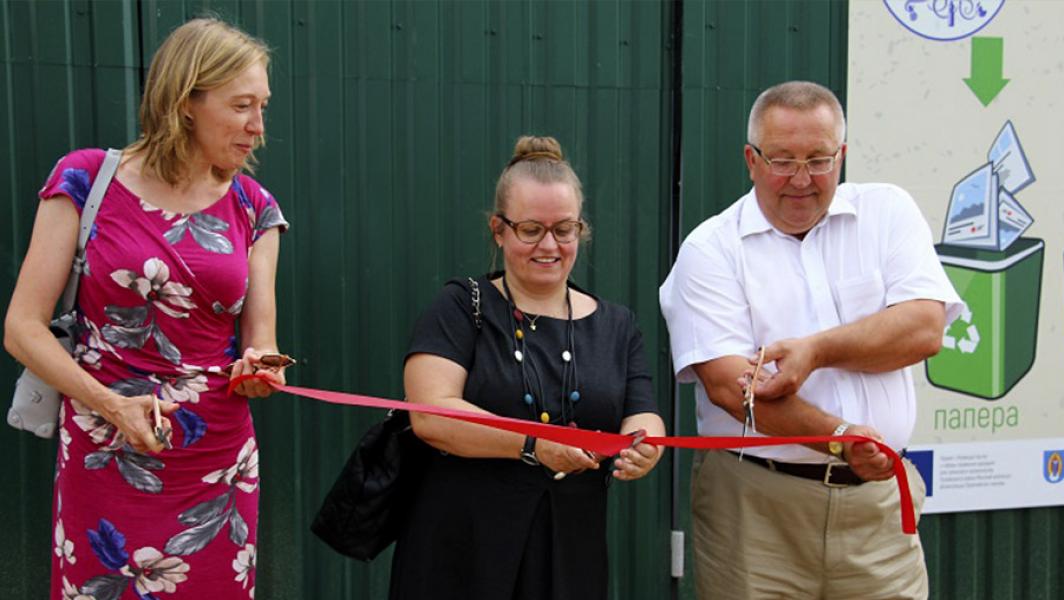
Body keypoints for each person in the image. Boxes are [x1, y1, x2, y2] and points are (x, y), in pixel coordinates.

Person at [4, 18, 289, 598]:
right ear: (187, 101)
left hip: (216, 461)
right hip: (104, 448)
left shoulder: (255, 208)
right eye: (241, 106)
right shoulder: (86, 179)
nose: (258, 127)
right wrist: (112, 405)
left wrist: (261, 366)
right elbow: (21, 328)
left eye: (262, 106)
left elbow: (259, 338)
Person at [659, 81, 964, 600]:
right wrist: (843, 437)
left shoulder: (887, 211)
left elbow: (923, 329)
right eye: (782, 160)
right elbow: (730, 389)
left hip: (878, 508)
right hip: (755, 511)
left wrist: (815, 351)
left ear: (841, 156)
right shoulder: (710, 249)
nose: (801, 180)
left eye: (819, 159)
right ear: (750, 160)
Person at [389, 135, 665, 600]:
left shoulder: (616, 324)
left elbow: (642, 410)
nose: (549, 245)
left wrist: (644, 446)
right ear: (499, 230)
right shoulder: (461, 307)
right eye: (531, 229)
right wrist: (536, 445)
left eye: (565, 229)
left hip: (570, 551)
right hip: (463, 549)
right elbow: (431, 416)